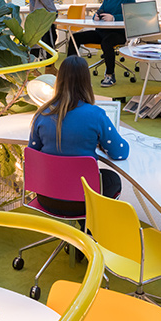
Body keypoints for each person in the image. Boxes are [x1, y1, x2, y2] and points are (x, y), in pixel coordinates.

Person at [27, 56, 128, 218]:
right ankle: (87, 228)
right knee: (112, 179)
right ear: (86, 82)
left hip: (46, 198)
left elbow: (33, 153)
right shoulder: (96, 115)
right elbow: (120, 152)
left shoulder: (42, 114)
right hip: (83, 202)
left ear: (58, 80)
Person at [66, 0, 135, 87]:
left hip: (119, 34)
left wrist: (113, 18)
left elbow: (131, 16)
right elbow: (98, 12)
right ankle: (70, 72)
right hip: (101, 32)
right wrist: (96, 17)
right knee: (75, 37)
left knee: (107, 42)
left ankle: (110, 75)